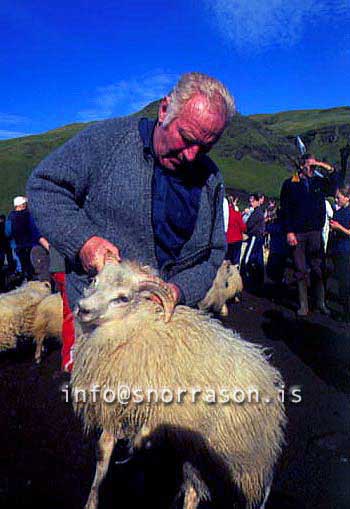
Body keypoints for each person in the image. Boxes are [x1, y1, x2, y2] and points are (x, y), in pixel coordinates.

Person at [27, 72, 235, 368]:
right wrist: (83, 242)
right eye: (186, 138)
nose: (192, 155)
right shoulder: (107, 142)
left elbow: (213, 255)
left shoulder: (211, 180)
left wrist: (177, 291)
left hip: (168, 329)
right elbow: (44, 185)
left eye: (205, 147)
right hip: (101, 328)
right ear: (165, 110)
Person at [280, 153, 343, 316]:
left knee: (318, 267)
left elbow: (335, 182)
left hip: (315, 232)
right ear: (301, 166)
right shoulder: (290, 184)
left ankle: (320, 302)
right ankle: (303, 305)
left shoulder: (318, 183)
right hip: (298, 233)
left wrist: (323, 165)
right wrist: (289, 231)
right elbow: (285, 210)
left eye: (315, 167)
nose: (313, 169)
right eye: (310, 166)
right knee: (300, 269)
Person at [6, 196, 46, 280]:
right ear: (21, 205)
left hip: (17, 246)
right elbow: (34, 229)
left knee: (24, 267)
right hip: (30, 244)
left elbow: (8, 233)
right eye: (24, 204)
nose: (26, 205)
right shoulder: (28, 215)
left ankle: (27, 279)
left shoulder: (10, 217)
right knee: (34, 266)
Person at [329, 185, 350, 323]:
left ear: (347, 197)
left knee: (346, 284)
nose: (336, 200)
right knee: (342, 284)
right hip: (339, 250)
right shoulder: (339, 211)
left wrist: (339, 227)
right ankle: (345, 312)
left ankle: (347, 315)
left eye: (339, 198)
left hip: (347, 251)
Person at [240, 193, 265, 293]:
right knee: (258, 260)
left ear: (256, 201)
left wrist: (245, 215)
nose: (250, 203)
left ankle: (246, 279)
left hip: (254, 237)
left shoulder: (257, 213)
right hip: (259, 238)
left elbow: (248, 224)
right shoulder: (258, 212)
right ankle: (258, 282)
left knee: (247, 259)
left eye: (252, 201)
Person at [226, 195, 246, 265]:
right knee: (235, 261)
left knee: (226, 259)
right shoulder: (236, 214)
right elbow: (243, 227)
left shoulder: (222, 214)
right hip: (236, 240)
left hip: (226, 240)